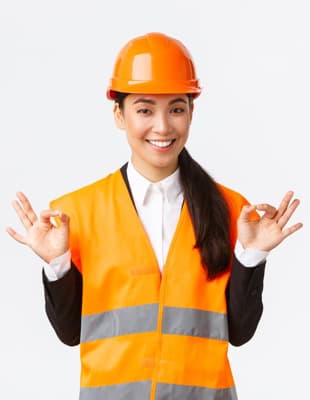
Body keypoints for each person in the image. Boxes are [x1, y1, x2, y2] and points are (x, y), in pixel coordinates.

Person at [7, 32, 302, 400]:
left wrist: (253, 257)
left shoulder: (231, 209)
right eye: (145, 110)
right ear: (119, 113)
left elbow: (239, 331)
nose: (162, 127)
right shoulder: (75, 213)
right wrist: (56, 264)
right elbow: (70, 332)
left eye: (176, 109)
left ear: (192, 112)